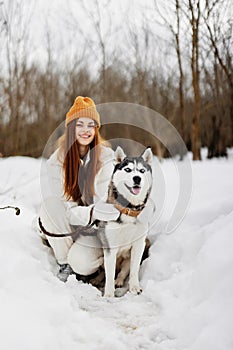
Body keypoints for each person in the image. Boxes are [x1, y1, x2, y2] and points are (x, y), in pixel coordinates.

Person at [39, 96, 120, 282]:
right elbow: (65, 208)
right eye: (80, 125)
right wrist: (91, 211)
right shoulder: (57, 161)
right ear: (70, 128)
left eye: (91, 125)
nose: (85, 131)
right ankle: (64, 263)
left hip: (96, 230)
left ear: (96, 129)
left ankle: (95, 264)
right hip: (71, 224)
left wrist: (95, 212)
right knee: (50, 206)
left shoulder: (107, 158)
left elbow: (103, 206)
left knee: (81, 262)